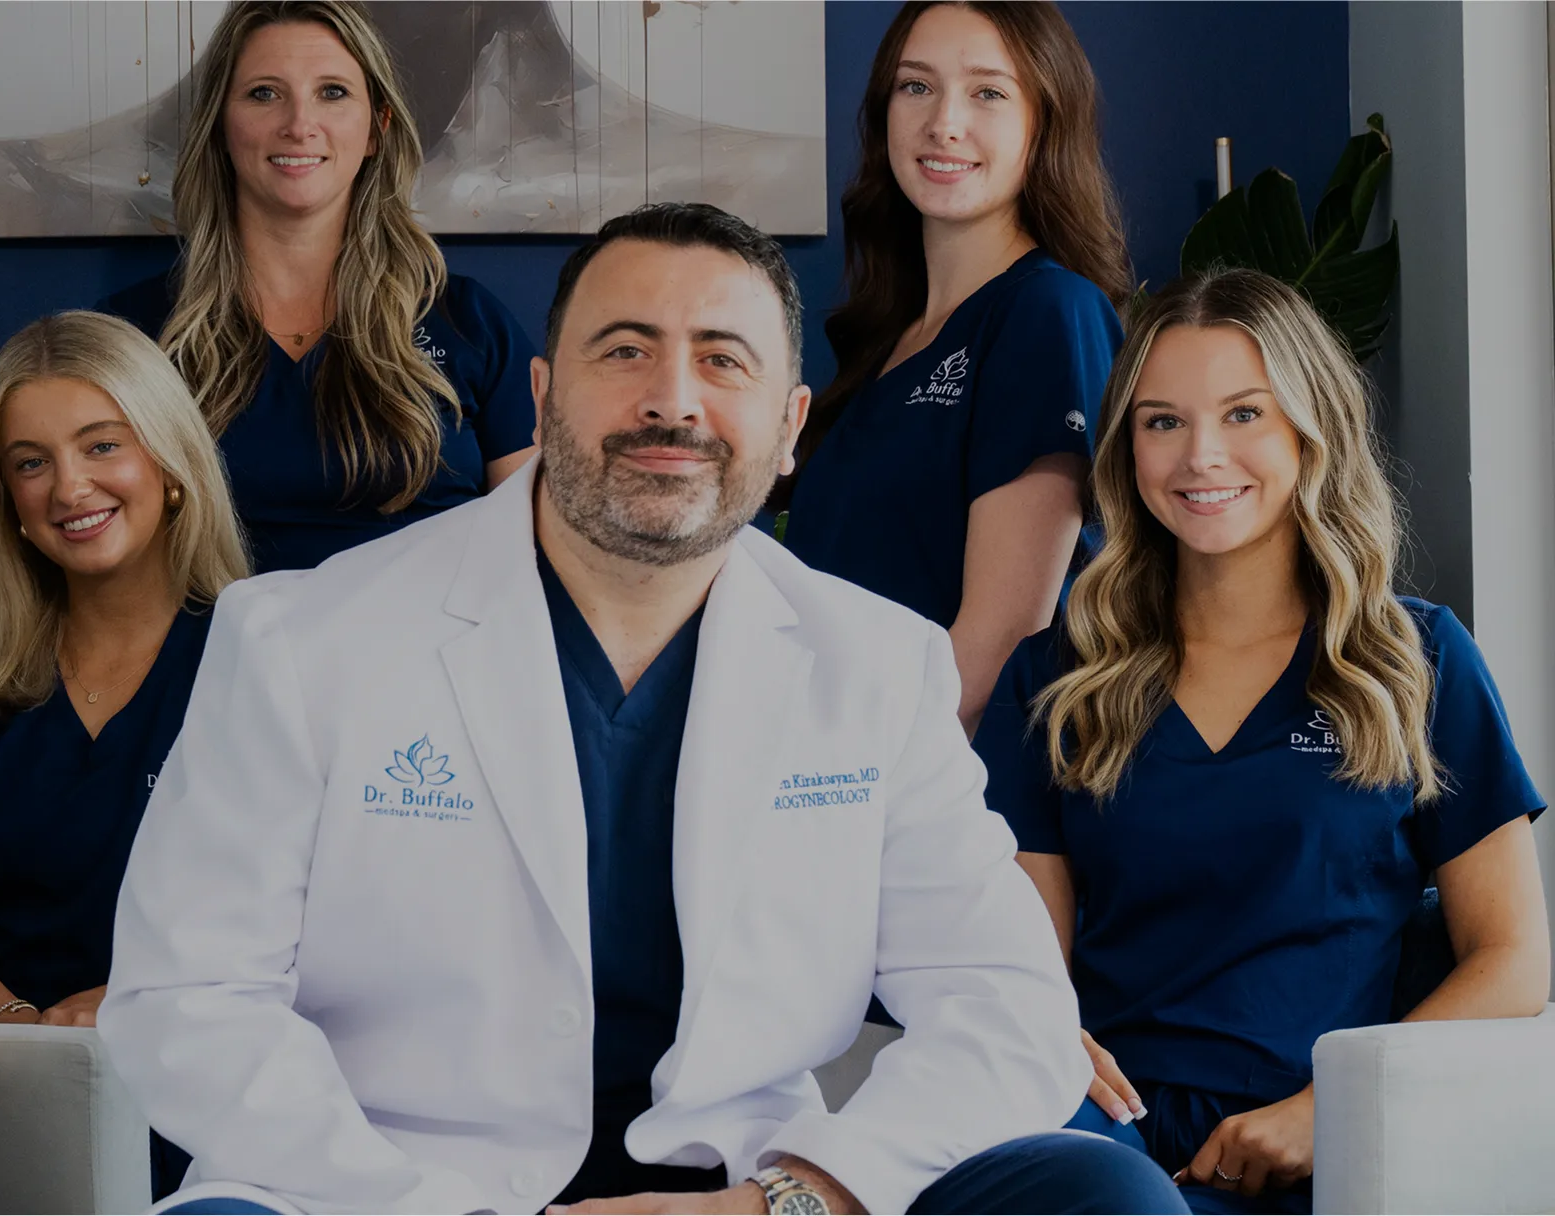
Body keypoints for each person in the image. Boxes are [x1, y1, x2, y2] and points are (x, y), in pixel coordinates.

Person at [101, 203, 1184, 1216]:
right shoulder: (303, 639)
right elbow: (186, 997)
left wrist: (787, 1199)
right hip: (390, 1186)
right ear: (539, 396)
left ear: (791, 421)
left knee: (1099, 1194)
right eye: (623, 351)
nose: (673, 398)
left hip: (739, 1187)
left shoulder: (877, 665)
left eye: (723, 360)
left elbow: (1008, 1004)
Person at [973, 269, 1550, 1214]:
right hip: (1101, 1145)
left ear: (1308, 430)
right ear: (1126, 449)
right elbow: (1032, 966)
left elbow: (1514, 957)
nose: (1202, 456)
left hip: (1335, 1149)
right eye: (1162, 422)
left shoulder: (1418, 660)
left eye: (1245, 414)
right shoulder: (1056, 675)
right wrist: (1042, 1045)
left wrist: (1328, 1112)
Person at [0, 311, 247, 1197]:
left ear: (169, 466)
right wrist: (28, 1039)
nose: (69, 487)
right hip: (1, 1082)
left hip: (215, 1084)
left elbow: (315, 919)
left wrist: (129, 1008)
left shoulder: (263, 659)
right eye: (30, 463)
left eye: (102, 446)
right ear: (5, 500)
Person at [780, 1, 1129, 730]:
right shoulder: (889, 335)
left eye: (988, 93)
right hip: (829, 758)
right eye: (916, 86)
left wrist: (860, 789)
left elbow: (998, 642)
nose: (944, 123)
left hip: (937, 790)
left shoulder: (1047, 311)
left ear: (1044, 122)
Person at [97, 0, 538, 574]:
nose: (299, 124)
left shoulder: (470, 323)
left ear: (377, 129)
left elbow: (540, 552)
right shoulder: (134, 336)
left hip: (426, 658)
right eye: (263, 93)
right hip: (214, 659)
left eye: (332, 92)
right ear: (220, 125)